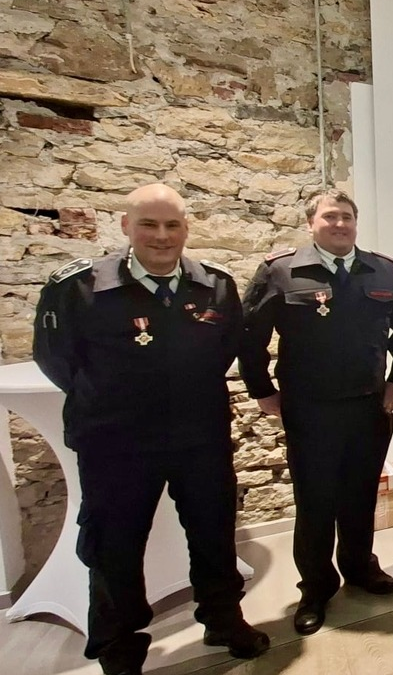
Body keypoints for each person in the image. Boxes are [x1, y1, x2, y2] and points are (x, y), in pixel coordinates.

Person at [33, 183, 268, 675]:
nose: (162, 236)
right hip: (115, 441)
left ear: (185, 229)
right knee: (113, 544)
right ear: (126, 226)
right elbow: (57, 360)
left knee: (214, 534)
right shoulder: (76, 286)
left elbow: (223, 350)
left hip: (198, 435)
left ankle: (224, 619)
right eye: (149, 224)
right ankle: (119, 647)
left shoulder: (216, 286)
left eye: (172, 225)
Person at [240, 189, 393, 635]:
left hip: (369, 406)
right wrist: (262, 390)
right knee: (315, 503)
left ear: (356, 222)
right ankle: (315, 586)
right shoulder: (281, 271)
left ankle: (359, 567)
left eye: (347, 217)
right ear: (311, 222)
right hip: (310, 410)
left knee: (359, 497)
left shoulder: (383, 270)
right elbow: (248, 336)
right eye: (330, 216)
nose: (340, 224)